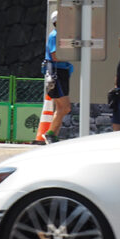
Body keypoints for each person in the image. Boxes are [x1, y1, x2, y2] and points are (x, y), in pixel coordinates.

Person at [43, 11, 73, 144]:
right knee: (65, 107)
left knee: (60, 108)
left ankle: (53, 135)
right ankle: (49, 133)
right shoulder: (55, 35)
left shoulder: (58, 35)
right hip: (58, 73)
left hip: (60, 72)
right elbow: (55, 56)